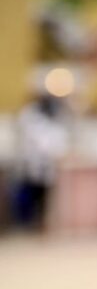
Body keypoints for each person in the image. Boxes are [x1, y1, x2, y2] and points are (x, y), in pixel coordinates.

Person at [15, 94, 70, 230]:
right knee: (32, 195)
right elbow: (43, 144)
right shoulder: (32, 117)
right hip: (33, 164)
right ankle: (30, 223)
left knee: (44, 197)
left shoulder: (50, 121)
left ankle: (41, 224)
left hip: (44, 166)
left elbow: (55, 142)